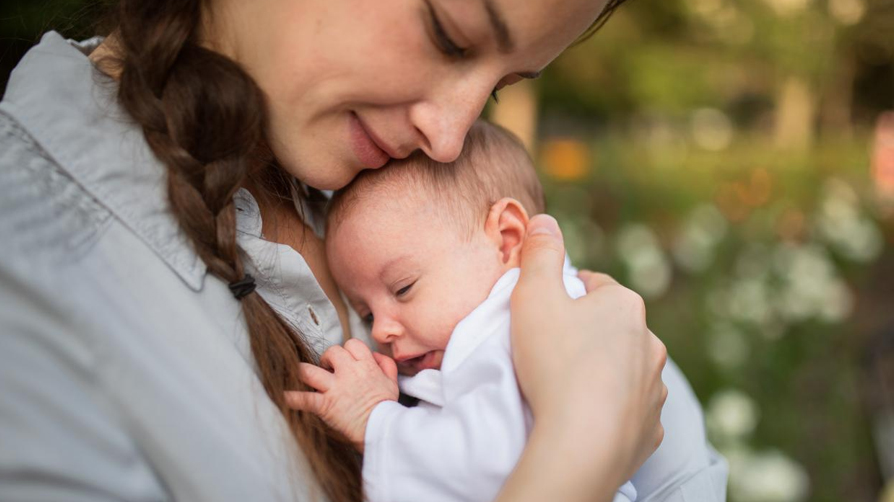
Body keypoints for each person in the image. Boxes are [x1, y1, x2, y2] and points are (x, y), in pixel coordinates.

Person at [0, 1, 668, 501]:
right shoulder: (30, 271)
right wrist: (580, 446)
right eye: (447, 34)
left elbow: (681, 469)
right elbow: (614, 411)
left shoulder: (415, 195)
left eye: (498, 88)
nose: (448, 137)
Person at [287, 120, 727, 502]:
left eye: (403, 288)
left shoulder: (506, 329)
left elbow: (498, 464)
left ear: (508, 239)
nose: (381, 329)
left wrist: (377, 422)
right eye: (365, 313)